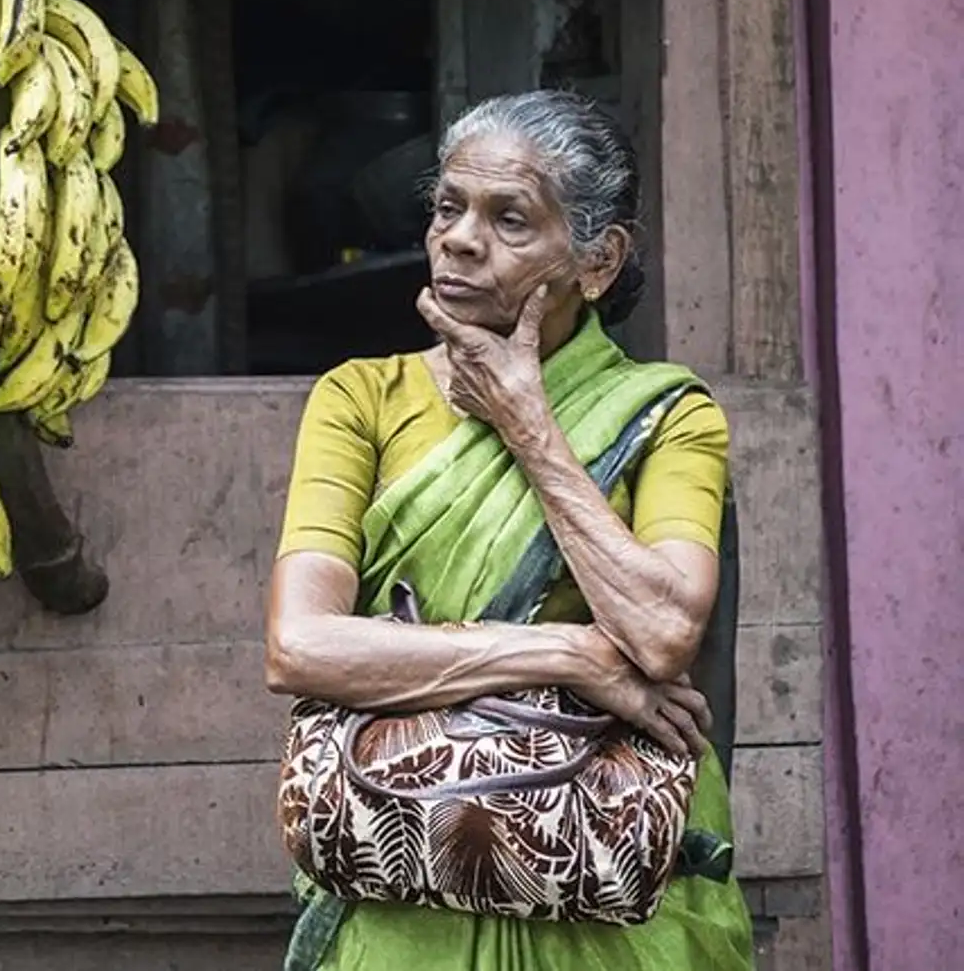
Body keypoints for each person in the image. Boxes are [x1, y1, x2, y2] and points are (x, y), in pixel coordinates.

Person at [263, 89, 755, 970]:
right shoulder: (359, 400)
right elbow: (300, 648)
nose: (458, 238)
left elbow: (662, 631)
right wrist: (566, 656)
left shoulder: (668, 417)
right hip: (405, 903)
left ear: (597, 262)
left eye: (510, 219)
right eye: (448, 207)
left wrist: (529, 424)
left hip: (615, 912)